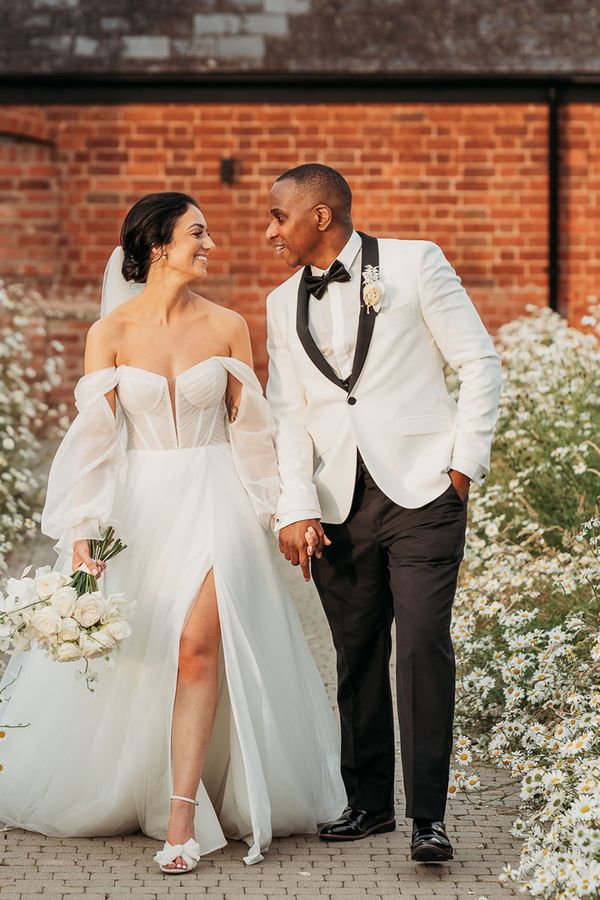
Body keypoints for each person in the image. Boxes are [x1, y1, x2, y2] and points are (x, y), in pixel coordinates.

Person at [0, 191, 346, 873]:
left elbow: (253, 433)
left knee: (196, 645)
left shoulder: (228, 325)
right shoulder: (111, 334)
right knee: (148, 657)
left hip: (217, 497)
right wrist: (84, 536)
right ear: (157, 246)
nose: (210, 244)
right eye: (198, 233)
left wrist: (281, 512)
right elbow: (95, 444)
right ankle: (141, 783)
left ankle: (183, 818)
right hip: (140, 505)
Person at [265, 164, 501, 862]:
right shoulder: (282, 302)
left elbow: (480, 363)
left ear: (319, 217)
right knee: (357, 656)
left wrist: (462, 468)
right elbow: (287, 414)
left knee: (423, 649)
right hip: (336, 504)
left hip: (424, 493)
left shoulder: (414, 261)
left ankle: (429, 817)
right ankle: (368, 805)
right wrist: (296, 506)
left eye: (278, 215)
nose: (269, 229)